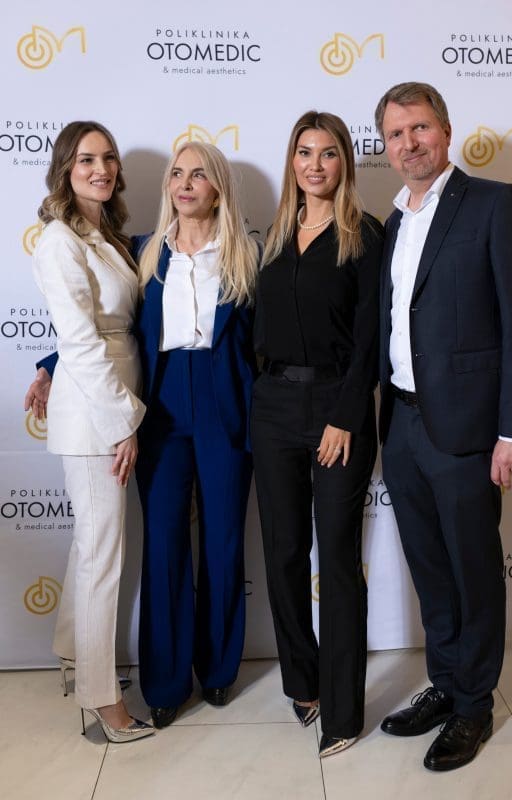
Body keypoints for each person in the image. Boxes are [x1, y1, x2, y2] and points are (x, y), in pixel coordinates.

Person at [374, 82, 512, 771]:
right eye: (395, 134)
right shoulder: (392, 222)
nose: (409, 143)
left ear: (446, 131)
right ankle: (446, 684)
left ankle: (474, 704)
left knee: (474, 571)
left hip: (469, 429)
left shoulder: (495, 204)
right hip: (403, 424)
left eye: (419, 128)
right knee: (431, 568)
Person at [251, 111, 383, 758]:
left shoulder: (366, 234)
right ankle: (302, 685)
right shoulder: (274, 235)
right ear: (292, 161)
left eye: (328, 153)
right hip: (273, 407)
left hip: (337, 406)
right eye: (304, 152)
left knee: (335, 557)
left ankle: (344, 711)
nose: (315, 164)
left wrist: (346, 415)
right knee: (281, 552)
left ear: (344, 163)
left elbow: (372, 337)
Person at [25, 121, 154, 743]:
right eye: (85, 160)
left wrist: (47, 368)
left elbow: (107, 324)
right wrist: (122, 423)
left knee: (89, 546)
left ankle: (75, 656)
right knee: (103, 555)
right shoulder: (59, 240)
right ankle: (103, 700)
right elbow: (80, 340)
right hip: (97, 417)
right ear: (65, 169)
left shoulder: (103, 235)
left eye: (108, 158)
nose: (100, 169)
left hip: (106, 402)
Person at [132, 141, 259, 728]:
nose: (185, 183)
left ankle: (218, 670)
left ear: (218, 188)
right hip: (160, 406)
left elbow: (269, 339)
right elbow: (109, 327)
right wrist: (53, 364)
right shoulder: (143, 252)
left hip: (224, 402)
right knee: (163, 545)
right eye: (177, 173)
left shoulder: (246, 255)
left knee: (224, 541)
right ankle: (163, 682)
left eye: (198, 174)